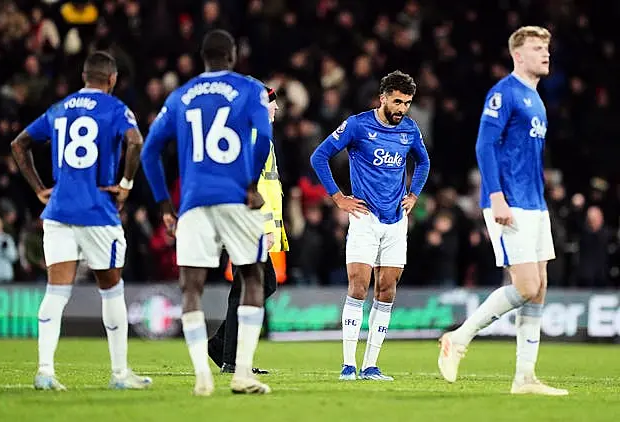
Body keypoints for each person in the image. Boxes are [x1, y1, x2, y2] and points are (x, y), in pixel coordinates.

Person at [437, 26, 568, 396]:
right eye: (537, 48)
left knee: (539, 288)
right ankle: (458, 338)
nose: (545, 53)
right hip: (508, 202)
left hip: (534, 203)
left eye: (547, 47)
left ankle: (525, 378)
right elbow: (484, 145)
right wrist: (495, 196)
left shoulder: (537, 99)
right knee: (525, 286)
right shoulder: (504, 93)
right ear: (518, 55)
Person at [141, 29, 273, 396]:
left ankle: (202, 376)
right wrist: (250, 184)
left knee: (191, 289)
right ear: (232, 56)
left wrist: (165, 205)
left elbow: (150, 152)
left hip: (193, 202)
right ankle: (242, 373)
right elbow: (263, 136)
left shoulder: (180, 96)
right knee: (253, 278)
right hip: (235, 198)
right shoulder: (250, 90)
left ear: (203, 58)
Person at [10, 51, 151, 391]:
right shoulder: (116, 109)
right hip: (97, 211)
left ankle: (45, 371)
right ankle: (120, 375)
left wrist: (40, 189)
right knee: (111, 290)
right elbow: (135, 142)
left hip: (58, 211)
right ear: (112, 79)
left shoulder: (59, 108)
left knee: (56, 292)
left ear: (84, 77)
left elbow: (19, 144)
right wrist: (127, 185)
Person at [310, 70, 430, 381]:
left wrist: (414, 194)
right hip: (364, 217)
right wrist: (338, 198)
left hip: (395, 221)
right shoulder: (357, 125)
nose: (402, 109)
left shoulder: (410, 130)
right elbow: (319, 157)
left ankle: (371, 366)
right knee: (358, 286)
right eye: (398, 101)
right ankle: (348, 365)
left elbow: (424, 162)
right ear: (383, 98)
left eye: (407, 103)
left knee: (387, 291)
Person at [208, 84, 286, 375]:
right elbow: (251, 186)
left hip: (248, 223)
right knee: (249, 287)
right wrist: (263, 226)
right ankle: (231, 358)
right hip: (249, 224)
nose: (276, 108)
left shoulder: (253, 134)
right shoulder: (254, 136)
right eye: (271, 103)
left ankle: (223, 348)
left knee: (257, 285)